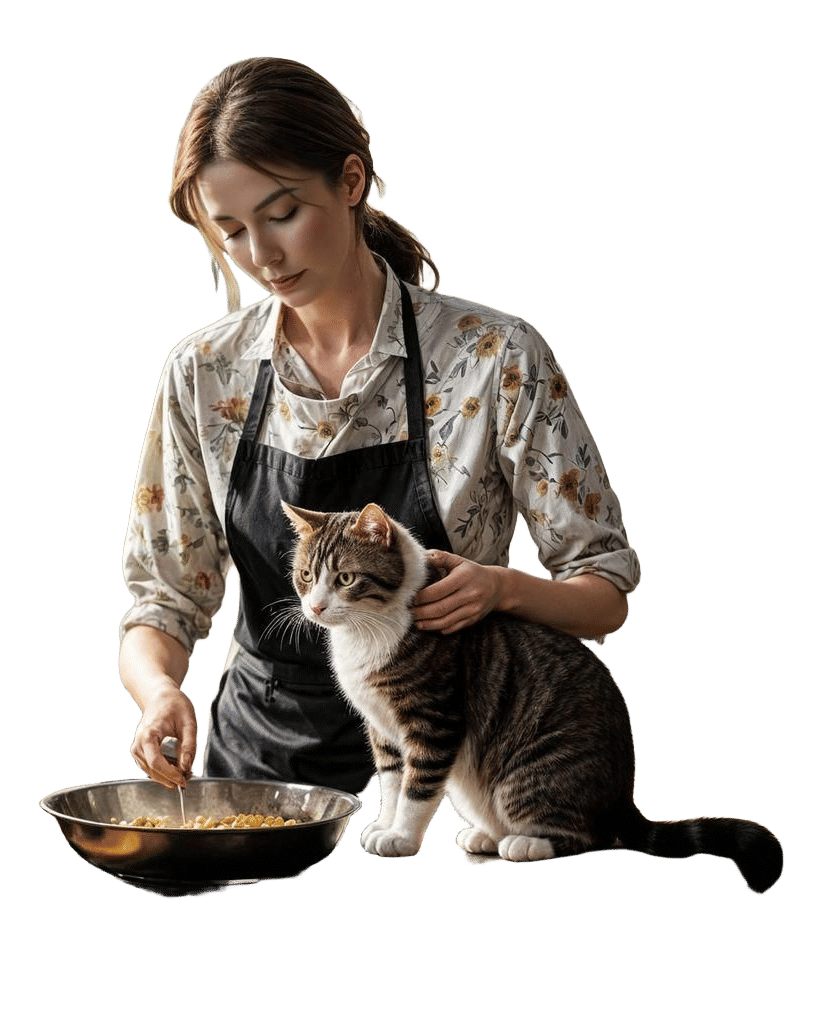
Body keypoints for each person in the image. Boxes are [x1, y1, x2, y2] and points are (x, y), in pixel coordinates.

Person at [118, 56, 641, 795]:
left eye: (282, 214)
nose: (261, 256)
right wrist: (158, 693)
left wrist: (501, 589)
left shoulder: (495, 356)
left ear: (353, 181)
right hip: (265, 776)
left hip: (463, 769)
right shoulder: (204, 372)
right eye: (230, 230)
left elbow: (604, 589)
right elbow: (165, 602)